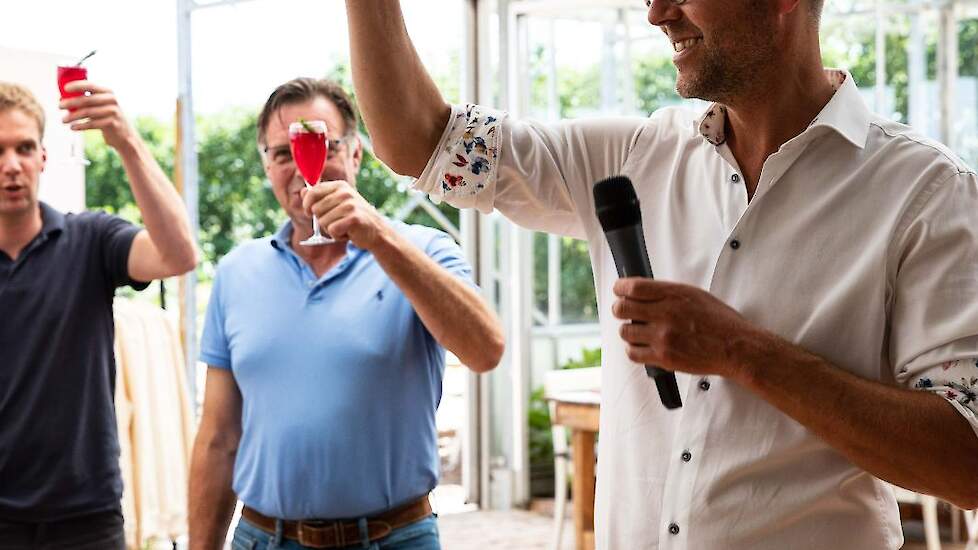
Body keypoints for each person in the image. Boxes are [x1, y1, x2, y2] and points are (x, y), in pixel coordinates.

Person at [343, 2, 978, 548]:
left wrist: (741, 351)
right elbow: (423, 142)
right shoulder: (631, 155)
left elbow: (966, 462)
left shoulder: (924, 192)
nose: (656, 12)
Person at [188, 77, 504, 550]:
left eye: (321, 144)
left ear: (355, 154)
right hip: (265, 539)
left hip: (392, 538)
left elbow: (486, 349)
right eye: (281, 153)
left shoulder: (422, 249)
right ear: (267, 167)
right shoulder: (237, 272)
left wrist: (376, 234)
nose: (300, 165)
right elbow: (218, 439)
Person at [0, 81, 197, 548]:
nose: (11, 165)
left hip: (85, 520)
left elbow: (179, 255)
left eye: (24, 148)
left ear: (43, 158)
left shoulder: (89, 240)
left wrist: (125, 139)